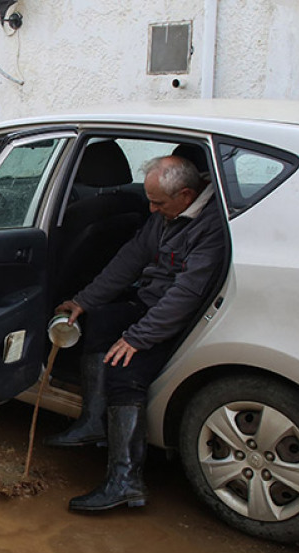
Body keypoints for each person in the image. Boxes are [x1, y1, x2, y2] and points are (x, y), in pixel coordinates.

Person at [49, 154, 226, 512]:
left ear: (187, 195)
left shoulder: (211, 228)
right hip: (150, 304)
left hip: (182, 321)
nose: (150, 209)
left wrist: (137, 338)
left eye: (158, 202)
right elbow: (130, 258)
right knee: (98, 322)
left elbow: (185, 296)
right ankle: (94, 422)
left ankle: (125, 482)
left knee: (124, 370)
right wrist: (84, 301)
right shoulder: (166, 215)